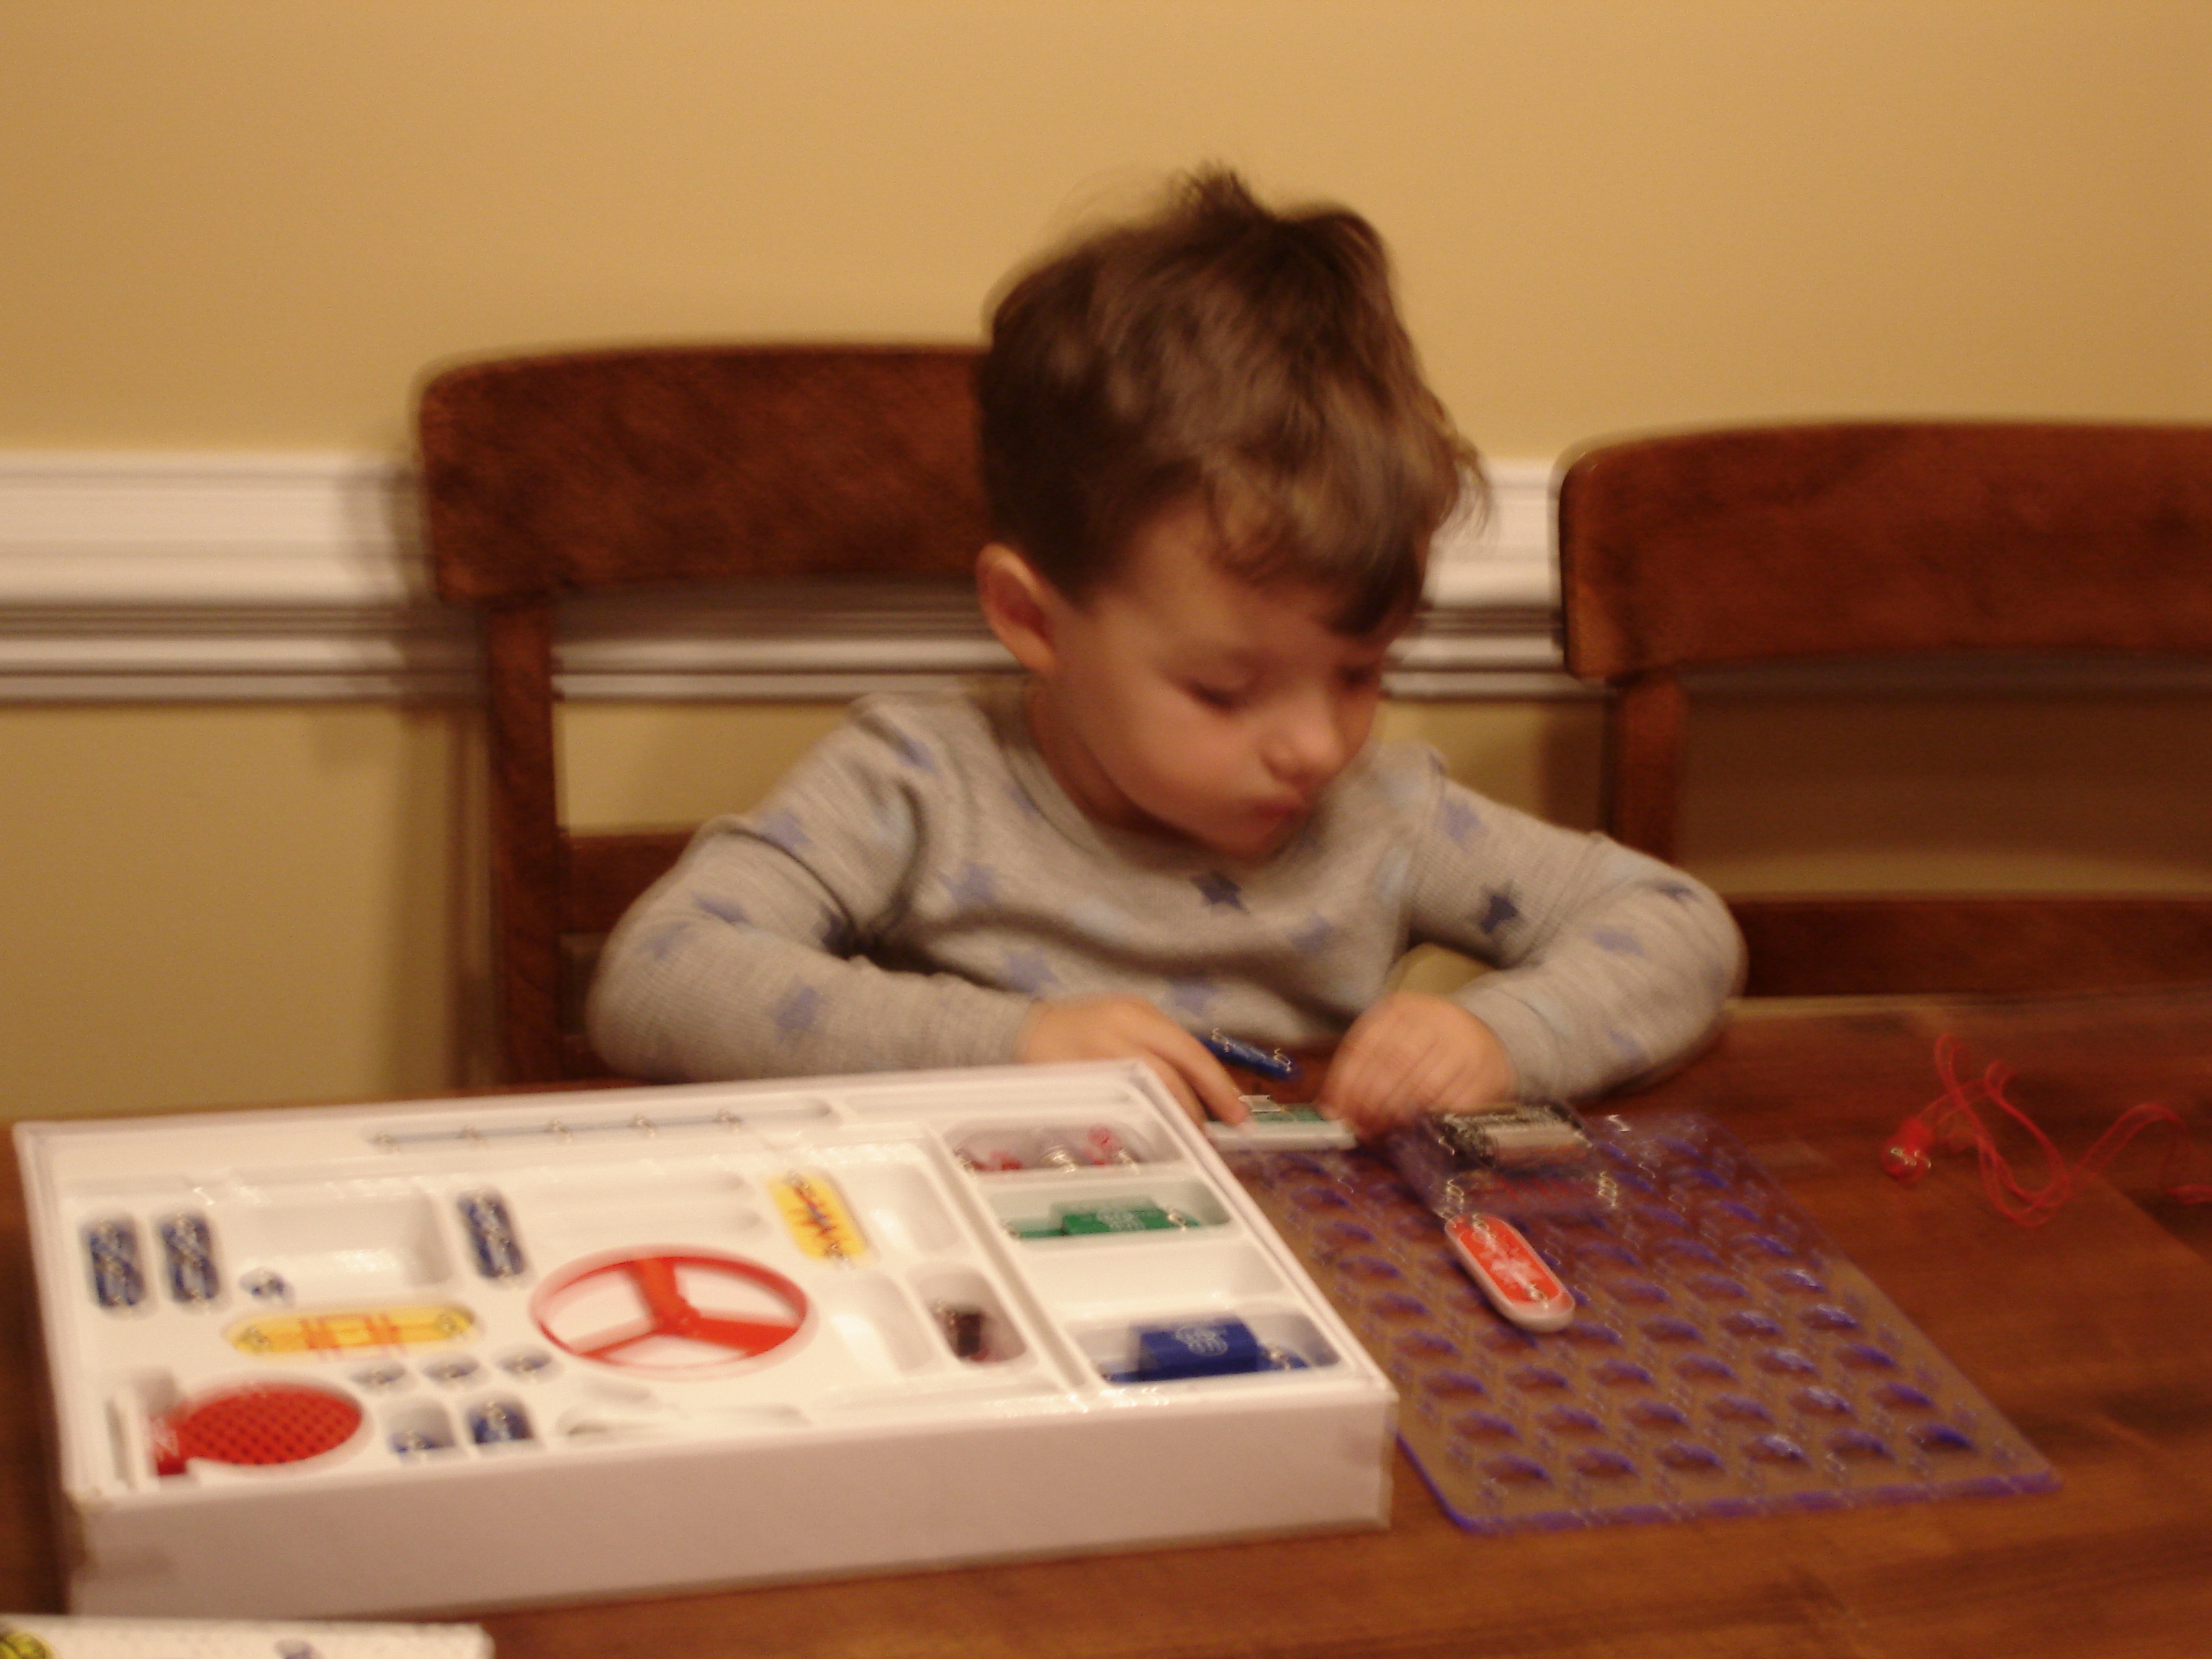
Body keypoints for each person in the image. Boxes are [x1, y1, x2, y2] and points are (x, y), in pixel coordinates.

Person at [588, 170, 1741, 1133]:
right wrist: (1011, 1047)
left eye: (1358, 670)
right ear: (1034, 620)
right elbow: (660, 973)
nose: (1315, 746)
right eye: (1224, 688)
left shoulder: (1384, 819)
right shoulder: (919, 782)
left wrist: (1500, 1035)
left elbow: (1681, 928)